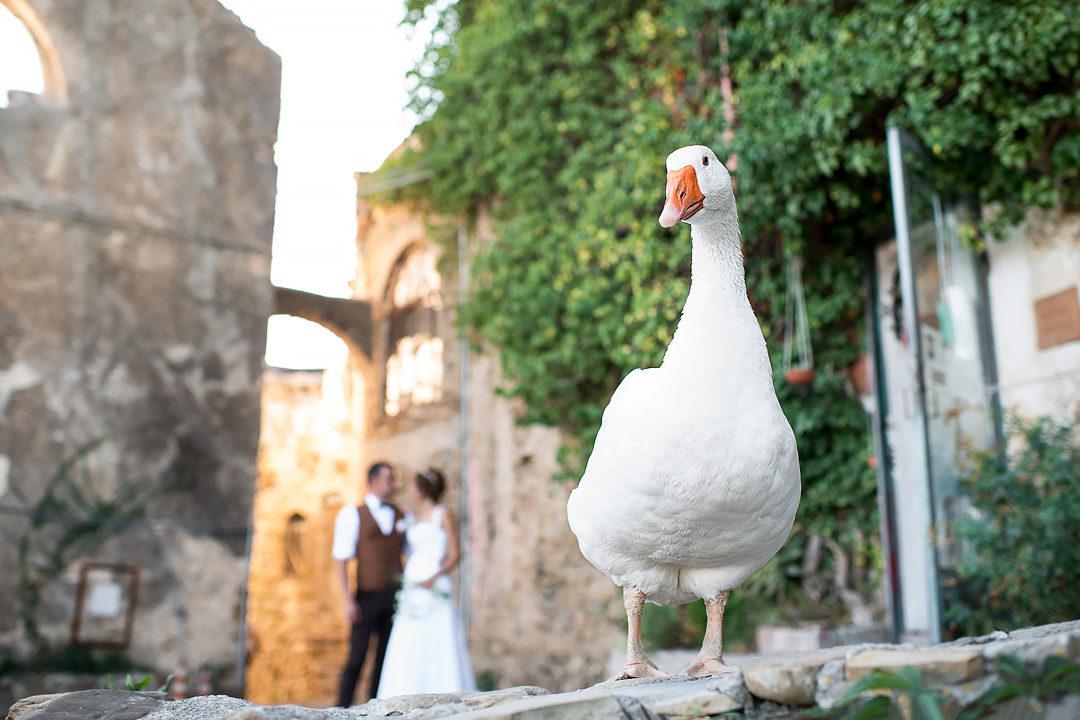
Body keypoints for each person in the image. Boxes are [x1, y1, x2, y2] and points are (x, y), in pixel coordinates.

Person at [376, 468, 476, 698]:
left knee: (437, 633)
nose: (409, 490)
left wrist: (434, 575)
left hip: (434, 583)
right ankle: (405, 690)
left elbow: (456, 552)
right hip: (413, 583)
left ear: (422, 489)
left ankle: (443, 687)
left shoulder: (442, 514)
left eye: (413, 486)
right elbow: (409, 549)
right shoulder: (413, 516)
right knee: (409, 635)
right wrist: (408, 563)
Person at [333, 462, 404, 707]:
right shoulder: (353, 514)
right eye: (389, 479)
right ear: (373, 481)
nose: (394, 484)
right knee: (357, 657)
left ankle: (375, 707)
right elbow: (341, 559)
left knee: (385, 658)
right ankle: (341, 708)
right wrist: (346, 600)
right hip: (366, 596)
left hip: (395, 597)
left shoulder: (401, 515)